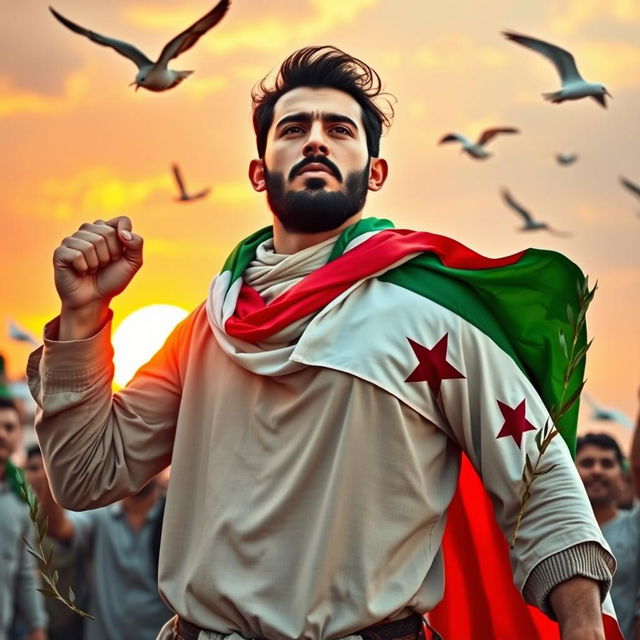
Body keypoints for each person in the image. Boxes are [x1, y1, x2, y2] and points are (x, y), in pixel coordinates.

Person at [27, 46, 617, 640]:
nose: (315, 141)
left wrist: (584, 627)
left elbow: (541, 486)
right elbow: (86, 476)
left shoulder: (435, 316)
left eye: (339, 129)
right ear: (259, 171)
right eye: (293, 128)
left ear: (375, 172)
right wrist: (82, 316)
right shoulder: (208, 326)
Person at [27, 452, 171, 640]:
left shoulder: (174, 520)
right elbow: (57, 528)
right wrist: (53, 462)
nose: (141, 466)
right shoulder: (100, 516)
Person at [576, 432, 640, 640]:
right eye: (587, 463)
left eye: (606, 464)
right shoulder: (554, 533)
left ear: (623, 478)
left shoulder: (635, 525)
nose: (597, 471)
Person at [0, 397, 47, 640]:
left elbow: (25, 571)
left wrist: (37, 627)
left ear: (19, 434)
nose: (2, 434)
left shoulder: (22, 500)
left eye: (9, 427)